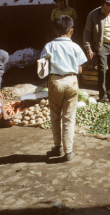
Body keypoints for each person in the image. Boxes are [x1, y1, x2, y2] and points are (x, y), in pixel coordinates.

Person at [41, 15, 87, 161]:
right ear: (71, 31)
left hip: (55, 82)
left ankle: (57, 147)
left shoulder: (49, 46)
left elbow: (42, 67)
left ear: (55, 30)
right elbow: (79, 70)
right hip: (72, 82)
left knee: (55, 116)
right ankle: (69, 151)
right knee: (69, 117)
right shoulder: (75, 47)